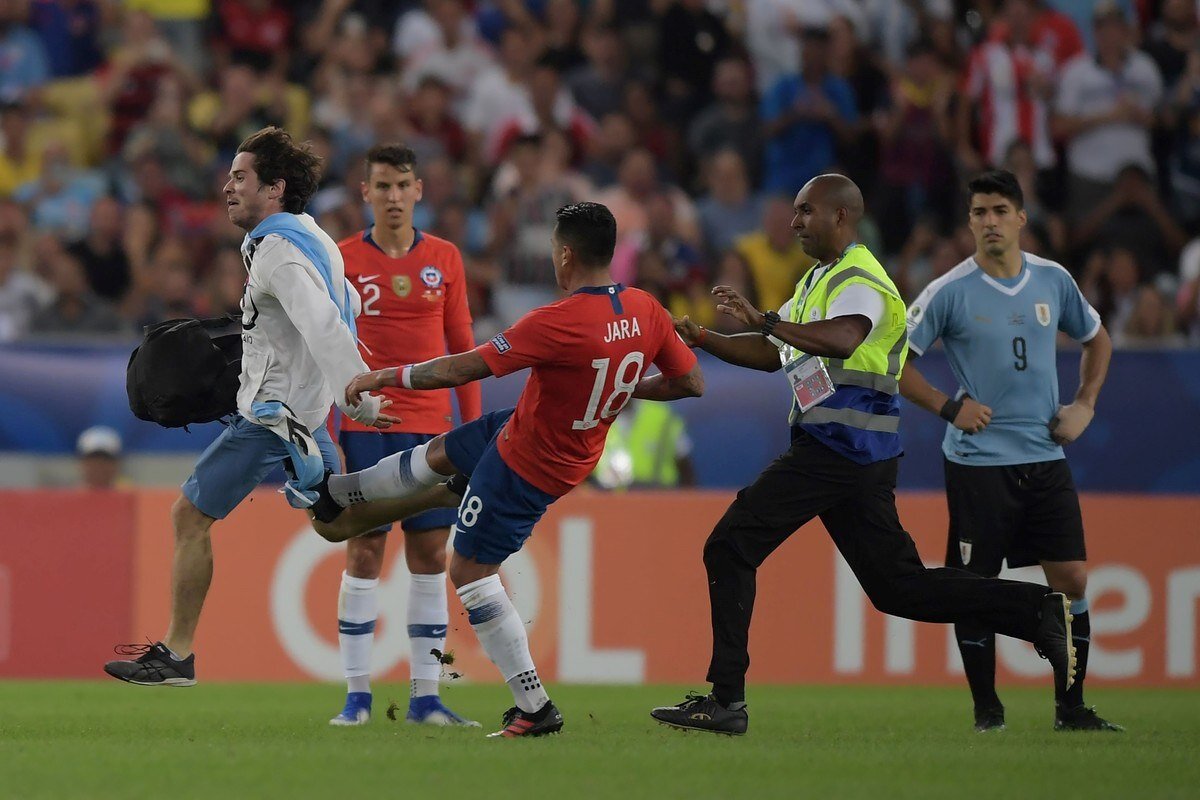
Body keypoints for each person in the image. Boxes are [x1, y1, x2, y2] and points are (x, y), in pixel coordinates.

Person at [648, 174, 1076, 736]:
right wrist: (703, 338)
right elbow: (773, 354)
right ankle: (1037, 612)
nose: (795, 222)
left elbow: (844, 338)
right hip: (855, 454)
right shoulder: (817, 280)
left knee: (730, 546)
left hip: (838, 447)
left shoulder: (860, 277)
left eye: (806, 211)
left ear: (841, 216)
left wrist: (766, 320)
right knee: (898, 587)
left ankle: (726, 700)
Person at [313, 202, 705, 737]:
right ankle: (341, 491)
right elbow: (691, 382)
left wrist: (384, 376)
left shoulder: (558, 320)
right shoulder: (646, 309)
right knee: (440, 454)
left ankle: (535, 706)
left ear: (565, 255)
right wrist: (616, 388)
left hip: (529, 462)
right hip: (530, 428)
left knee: (468, 571)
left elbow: (460, 368)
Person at [103, 127, 396, 687]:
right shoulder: (314, 236)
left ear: (275, 188)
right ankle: (435, 478)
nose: (228, 187)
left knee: (188, 516)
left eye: (241, 177)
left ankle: (177, 654)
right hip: (305, 415)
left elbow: (323, 323)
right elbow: (350, 304)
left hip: (271, 417)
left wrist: (356, 392)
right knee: (336, 523)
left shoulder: (277, 252)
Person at [900, 170, 1121, 732]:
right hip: (978, 463)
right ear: (969, 222)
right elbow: (895, 361)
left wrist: (1084, 404)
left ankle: (1071, 709)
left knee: (1072, 579)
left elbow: (1097, 339)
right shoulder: (949, 290)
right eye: (979, 212)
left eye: (1000, 210)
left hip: (1045, 457)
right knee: (975, 588)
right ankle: (988, 713)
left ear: (1021, 218)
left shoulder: (1053, 279)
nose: (990, 221)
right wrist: (950, 407)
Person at [329, 143, 481, 728]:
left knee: (430, 554)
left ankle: (425, 699)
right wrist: (330, 432)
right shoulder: (343, 259)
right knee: (365, 550)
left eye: (402, 186)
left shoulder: (445, 257)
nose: (393, 196)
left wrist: (471, 435)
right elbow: (328, 349)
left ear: (419, 191)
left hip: (432, 428)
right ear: (365, 192)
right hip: (366, 423)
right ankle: (356, 698)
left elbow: (463, 349)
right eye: (383, 186)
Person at [76, 426, 124, 490]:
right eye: (93, 461)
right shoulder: (68, 495)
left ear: (117, 463)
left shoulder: (131, 495)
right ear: (82, 463)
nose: (99, 467)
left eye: (105, 460)